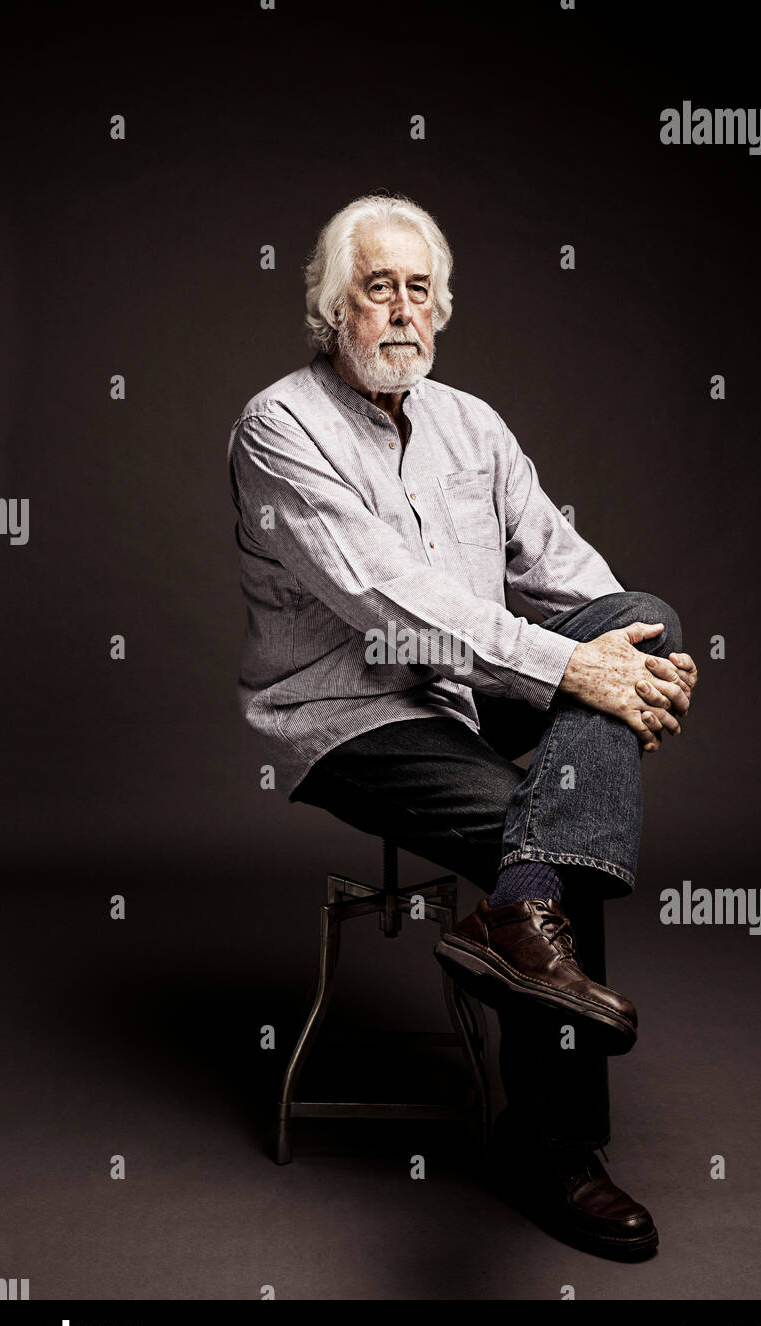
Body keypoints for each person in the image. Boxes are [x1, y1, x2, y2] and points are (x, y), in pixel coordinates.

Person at [227, 193, 698, 1260]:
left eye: (419, 288)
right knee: (538, 824)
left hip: (470, 687)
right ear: (330, 305)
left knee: (644, 616)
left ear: (445, 306)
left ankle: (515, 916)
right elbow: (389, 605)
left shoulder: (472, 423)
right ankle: (556, 1147)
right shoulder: (279, 427)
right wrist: (576, 668)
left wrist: (637, 658)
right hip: (351, 710)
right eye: (377, 287)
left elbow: (564, 569)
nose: (402, 309)